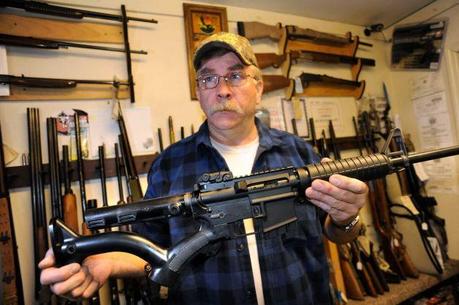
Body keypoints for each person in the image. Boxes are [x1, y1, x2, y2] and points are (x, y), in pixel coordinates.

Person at [39, 32, 368, 305]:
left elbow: (339, 233)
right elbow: (150, 247)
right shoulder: (168, 165)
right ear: (199, 93)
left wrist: (347, 217)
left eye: (236, 75)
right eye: (209, 78)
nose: (222, 89)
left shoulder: (301, 153)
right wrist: (104, 261)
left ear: (259, 87)